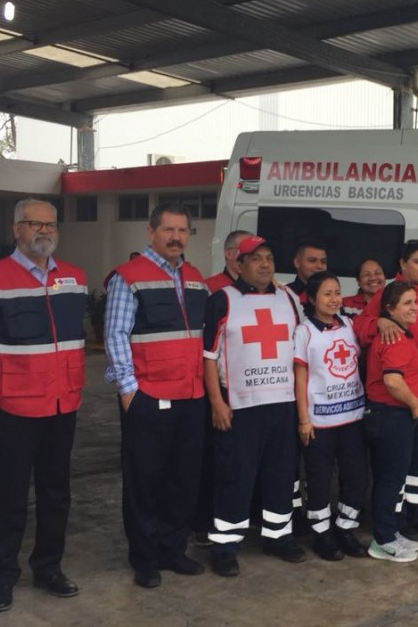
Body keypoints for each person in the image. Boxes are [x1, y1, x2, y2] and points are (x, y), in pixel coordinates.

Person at [0, 198, 85, 612]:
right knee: (10, 494)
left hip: (61, 404)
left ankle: (48, 568)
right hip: (10, 408)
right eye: (34, 224)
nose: (43, 232)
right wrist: (3, 382)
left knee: (55, 492)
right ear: (17, 230)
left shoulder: (75, 278)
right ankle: (4, 576)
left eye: (50, 225)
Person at [104, 203, 210, 588]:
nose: (176, 237)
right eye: (168, 230)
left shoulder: (196, 278)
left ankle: (172, 549)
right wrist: (129, 391)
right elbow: (116, 335)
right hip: (148, 398)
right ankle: (144, 557)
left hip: (191, 396)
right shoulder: (128, 277)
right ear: (151, 233)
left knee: (184, 480)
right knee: (145, 482)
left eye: (182, 231)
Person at [203, 235, 306, 574]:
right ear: (240, 263)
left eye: (269, 257)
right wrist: (217, 402)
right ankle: (225, 546)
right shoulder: (223, 300)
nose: (264, 264)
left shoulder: (289, 298)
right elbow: (208, 357)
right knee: (235, 476)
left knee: (280, 474)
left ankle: (278, 536)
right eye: (256, 258)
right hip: (240, 407)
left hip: (283, 404)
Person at [354, 240, 418, 539]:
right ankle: (394, 521)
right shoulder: (389, 295)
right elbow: (360, 325)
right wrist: (380, 320)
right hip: (404, 401)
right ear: (403, 264)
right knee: (398, 466)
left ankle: (413, 513)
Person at [293, 272, 369, 561]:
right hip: (319, 422)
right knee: (320, 479)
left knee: (355, 477)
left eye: (337, 292)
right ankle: (322, 533)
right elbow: (300, 378)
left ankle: (345, 527)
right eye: (326, 293)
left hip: (353, 418)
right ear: (312, 299)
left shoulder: (349, 324)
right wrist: (303, 419)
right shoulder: (305, 332)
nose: (334, 299)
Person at [194, 229, 252, 549]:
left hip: (253, 391)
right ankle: (207, 524)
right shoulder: (212, 289)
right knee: (217, 461)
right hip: (221, 390)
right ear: (231, 255)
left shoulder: (266, 291)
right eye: (248, 253)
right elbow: (207, 348)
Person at [363, 281, 418, 562]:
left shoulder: (400, 334)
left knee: (391, 479)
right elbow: (392, 380)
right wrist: (415, 404)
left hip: (388, 416)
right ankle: (383, 540)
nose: (414, 307)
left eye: (415, 301)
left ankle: (388, 531)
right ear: (390, 309)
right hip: (391, 415)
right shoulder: (394, 339)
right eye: (407, 303)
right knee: (391, 481)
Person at [287, 238, 328, 303]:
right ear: (297, 263)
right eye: (312, 260)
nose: (319, 266)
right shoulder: (285, 294)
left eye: (323, 261)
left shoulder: (331, 296)